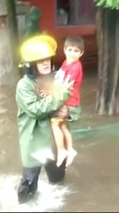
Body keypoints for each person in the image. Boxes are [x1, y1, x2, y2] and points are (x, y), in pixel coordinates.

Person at [15, 34, 74, 204]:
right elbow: (36, 110)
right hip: (34, 142)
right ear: (31, 64)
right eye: (40, 60)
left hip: (54, 141)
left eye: (47, 58)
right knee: (28, 186)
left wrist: (67, 112)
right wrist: (61, 95)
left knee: (58, 182)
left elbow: (67, 107)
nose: (46, 62)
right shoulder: (24, 85)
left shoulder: (55, 79)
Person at [45, 36, 84, 167]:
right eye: (70, 50)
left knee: (54, 123)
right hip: (65, 100)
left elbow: (66, 85)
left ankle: (62, 151)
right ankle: (71, 150)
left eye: (76, 51)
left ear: (81, 53)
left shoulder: (75, 67)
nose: (72, 53)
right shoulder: (65, 63)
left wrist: (52, 91)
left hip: (68, 101)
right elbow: (58, 79)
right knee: (62, 125)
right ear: (65, 50)